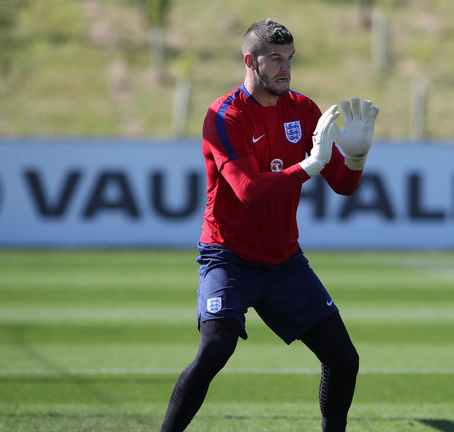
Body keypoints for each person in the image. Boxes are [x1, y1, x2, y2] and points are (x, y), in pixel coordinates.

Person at [160, 18, 379, 432]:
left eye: (290, 59)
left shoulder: (303, 109)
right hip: (229, 255)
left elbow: (342, 186)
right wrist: (308, 165)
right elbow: (247, 190)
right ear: (250, 61)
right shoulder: (224, 116)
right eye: (275, 59)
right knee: (215, 349)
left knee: (343, 359)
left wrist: (355, 159)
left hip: (283, 261)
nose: (285, 68)